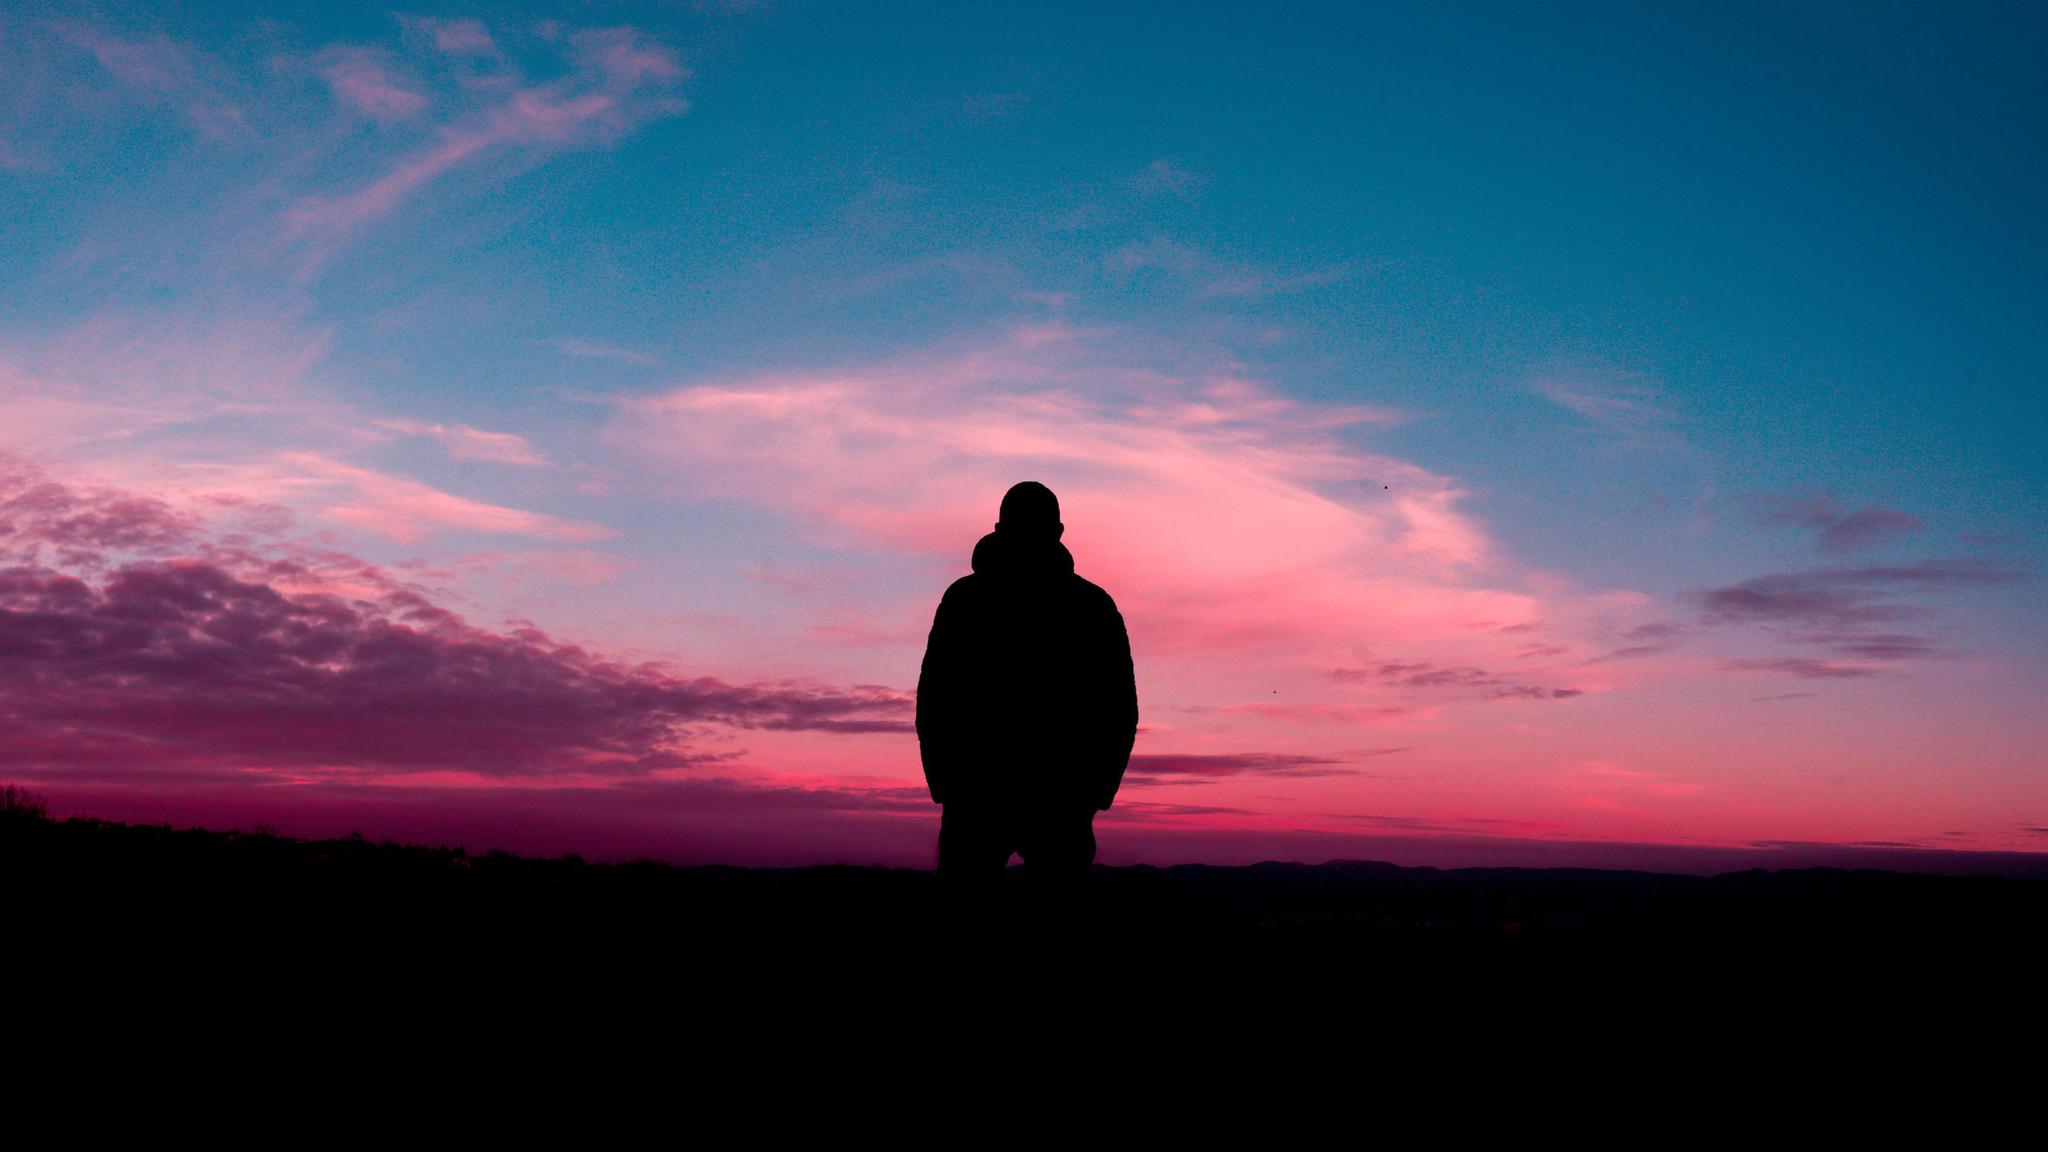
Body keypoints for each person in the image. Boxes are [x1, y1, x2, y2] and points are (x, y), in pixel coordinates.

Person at [915, 481, 1139, 904]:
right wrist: (945, 783)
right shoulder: (1087, 605)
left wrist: (1096, 791)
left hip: (1041, 798)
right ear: (1059, 531)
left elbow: (1118, 708)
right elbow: (935, 696)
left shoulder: (969, 601)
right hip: (995, 795)